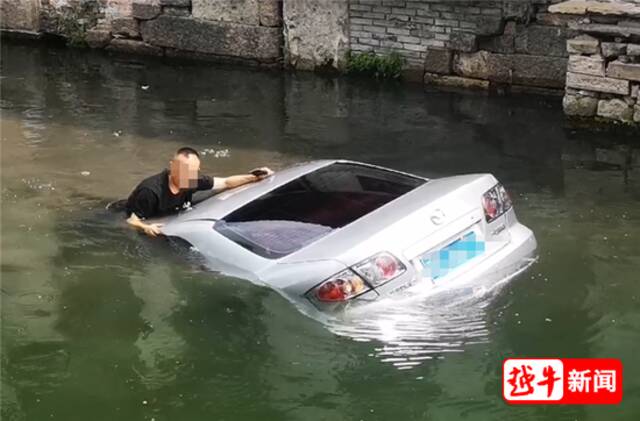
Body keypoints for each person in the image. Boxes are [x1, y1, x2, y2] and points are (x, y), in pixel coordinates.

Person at [126, 147, 273, 237]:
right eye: (184, 171)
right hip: (142, 216)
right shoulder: (150, 191)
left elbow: (225, 182)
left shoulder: (192, 180)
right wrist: (146, 228)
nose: (188, 176)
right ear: (172, 167)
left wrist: (255, 177)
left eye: (193, 172)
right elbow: (131, 221)